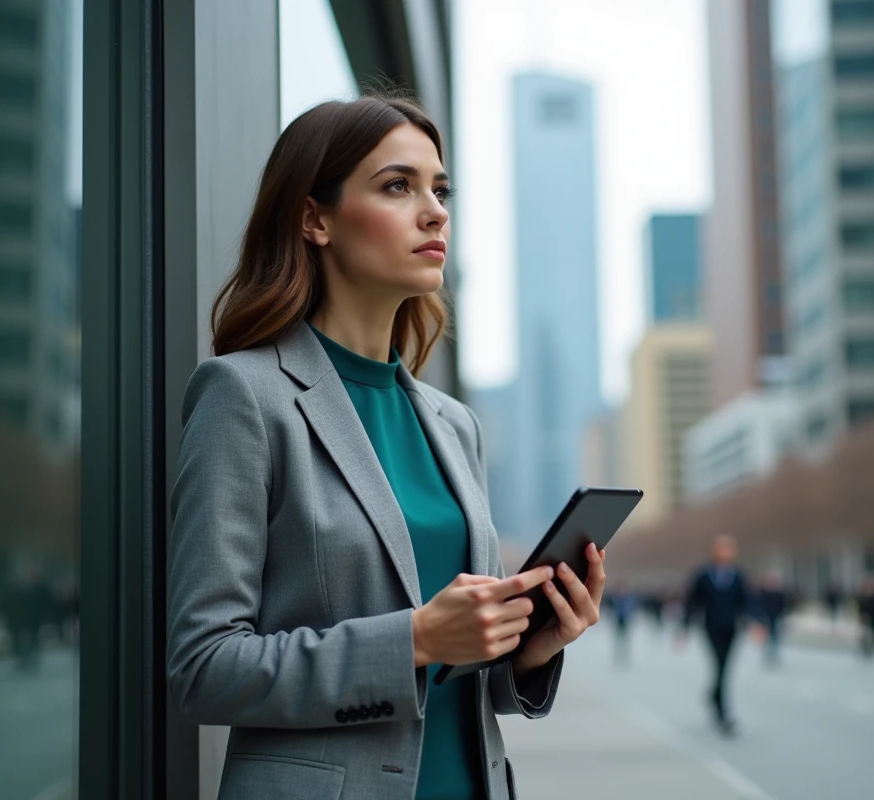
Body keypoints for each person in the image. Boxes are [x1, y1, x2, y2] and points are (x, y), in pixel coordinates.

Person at [166, 95, 607, 800]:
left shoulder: (454, 423)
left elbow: (462, 681)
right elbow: (203, 668)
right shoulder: (242, 396)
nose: (434, 211)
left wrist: (530, 649)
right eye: (398, 186)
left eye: (441, 190)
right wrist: (415, 640)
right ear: (315, 219)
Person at [680, 535, 749, 736]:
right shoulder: (703, 574)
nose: (725, 552)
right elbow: (693, 602)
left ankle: (713, 696)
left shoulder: (738, 575)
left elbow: (745, 601)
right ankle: (723, 714)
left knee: (725, 668)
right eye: (721, 548)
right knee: (719, 666)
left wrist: (755, 623)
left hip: (732, 628)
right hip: (710, 627)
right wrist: (684, 628)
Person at [756, 570, 789, 665]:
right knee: (766, 637)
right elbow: (759, 605)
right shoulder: (762, 593)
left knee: (775, 636)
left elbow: (783, 605)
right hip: (765, 618)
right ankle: (767, 652)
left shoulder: (779, 593)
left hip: (776, 617)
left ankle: (773, 652)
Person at [855, 575, 874, 657]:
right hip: (866, 616)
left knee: (873, 631)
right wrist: (861, 615)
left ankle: (873, 646)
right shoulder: (863, 595)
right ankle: (865, 647)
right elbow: (861, 606)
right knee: (865, 631)